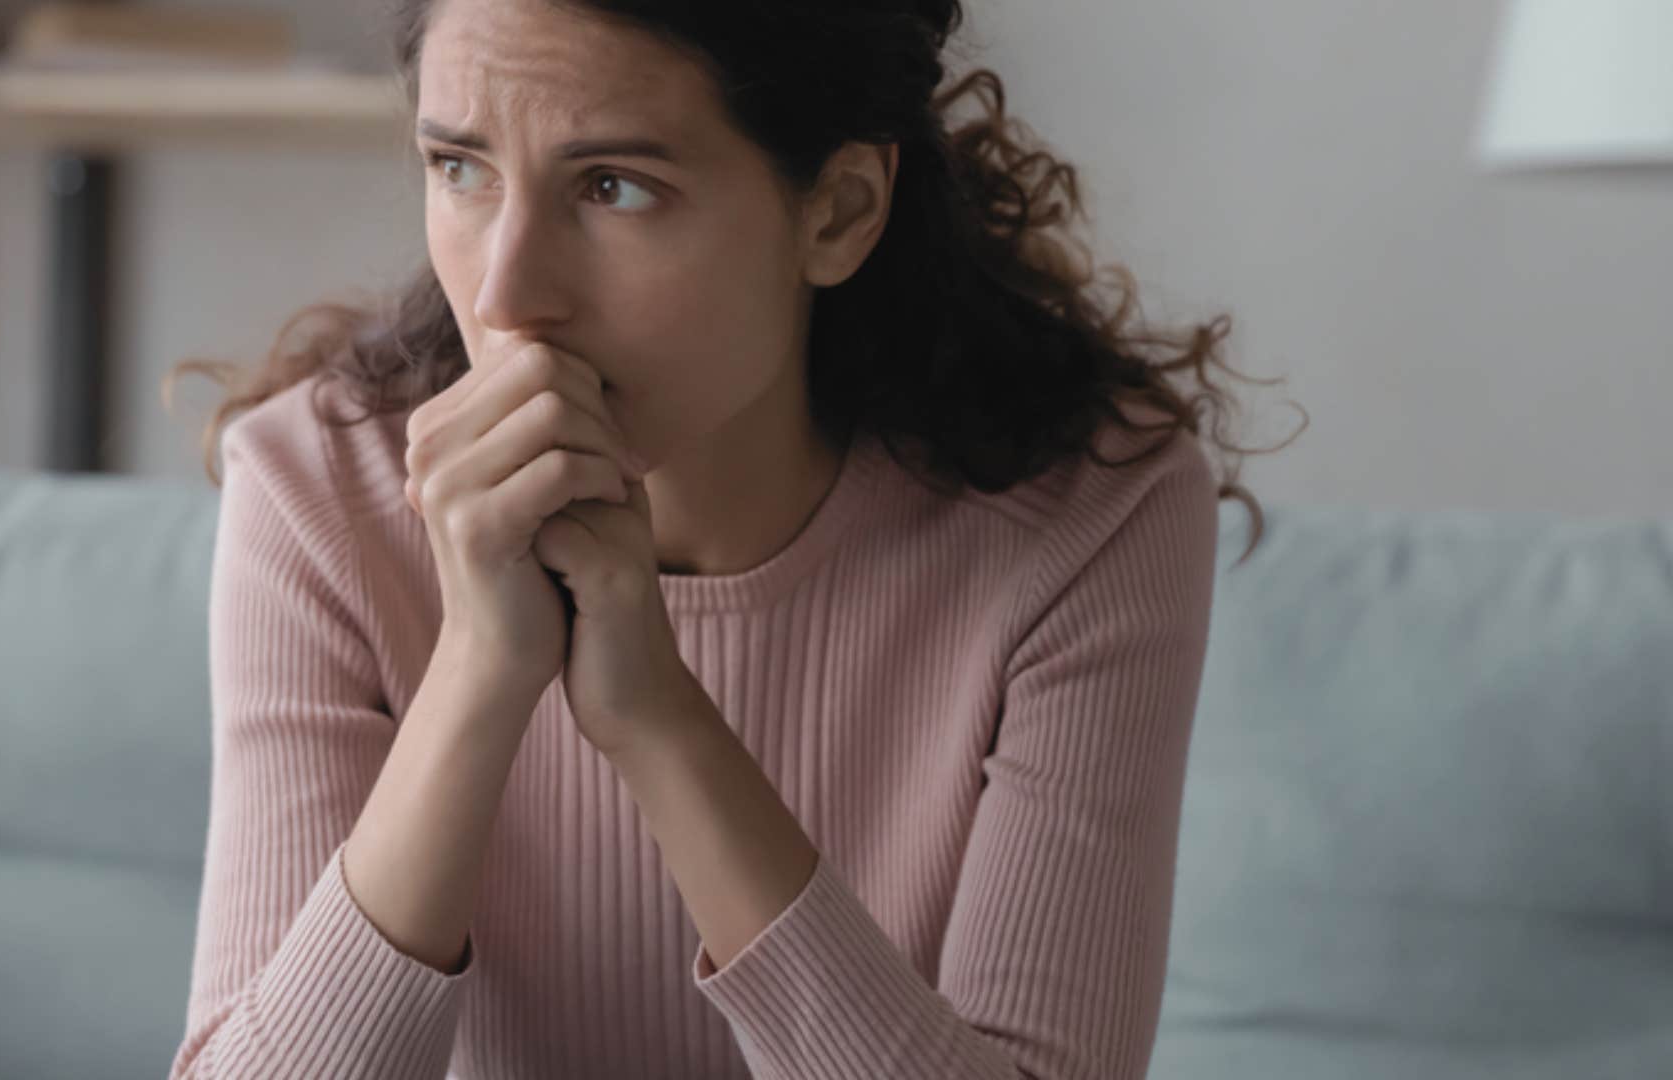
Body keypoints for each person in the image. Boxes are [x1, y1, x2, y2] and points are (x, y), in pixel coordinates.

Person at [162, 0, 1296, 1076]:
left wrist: (659, 719)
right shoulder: (319, 491)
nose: (507, 298)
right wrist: (478, 671)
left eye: (613, 186)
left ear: (838, 211)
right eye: (460, 168)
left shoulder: (1091, 519)